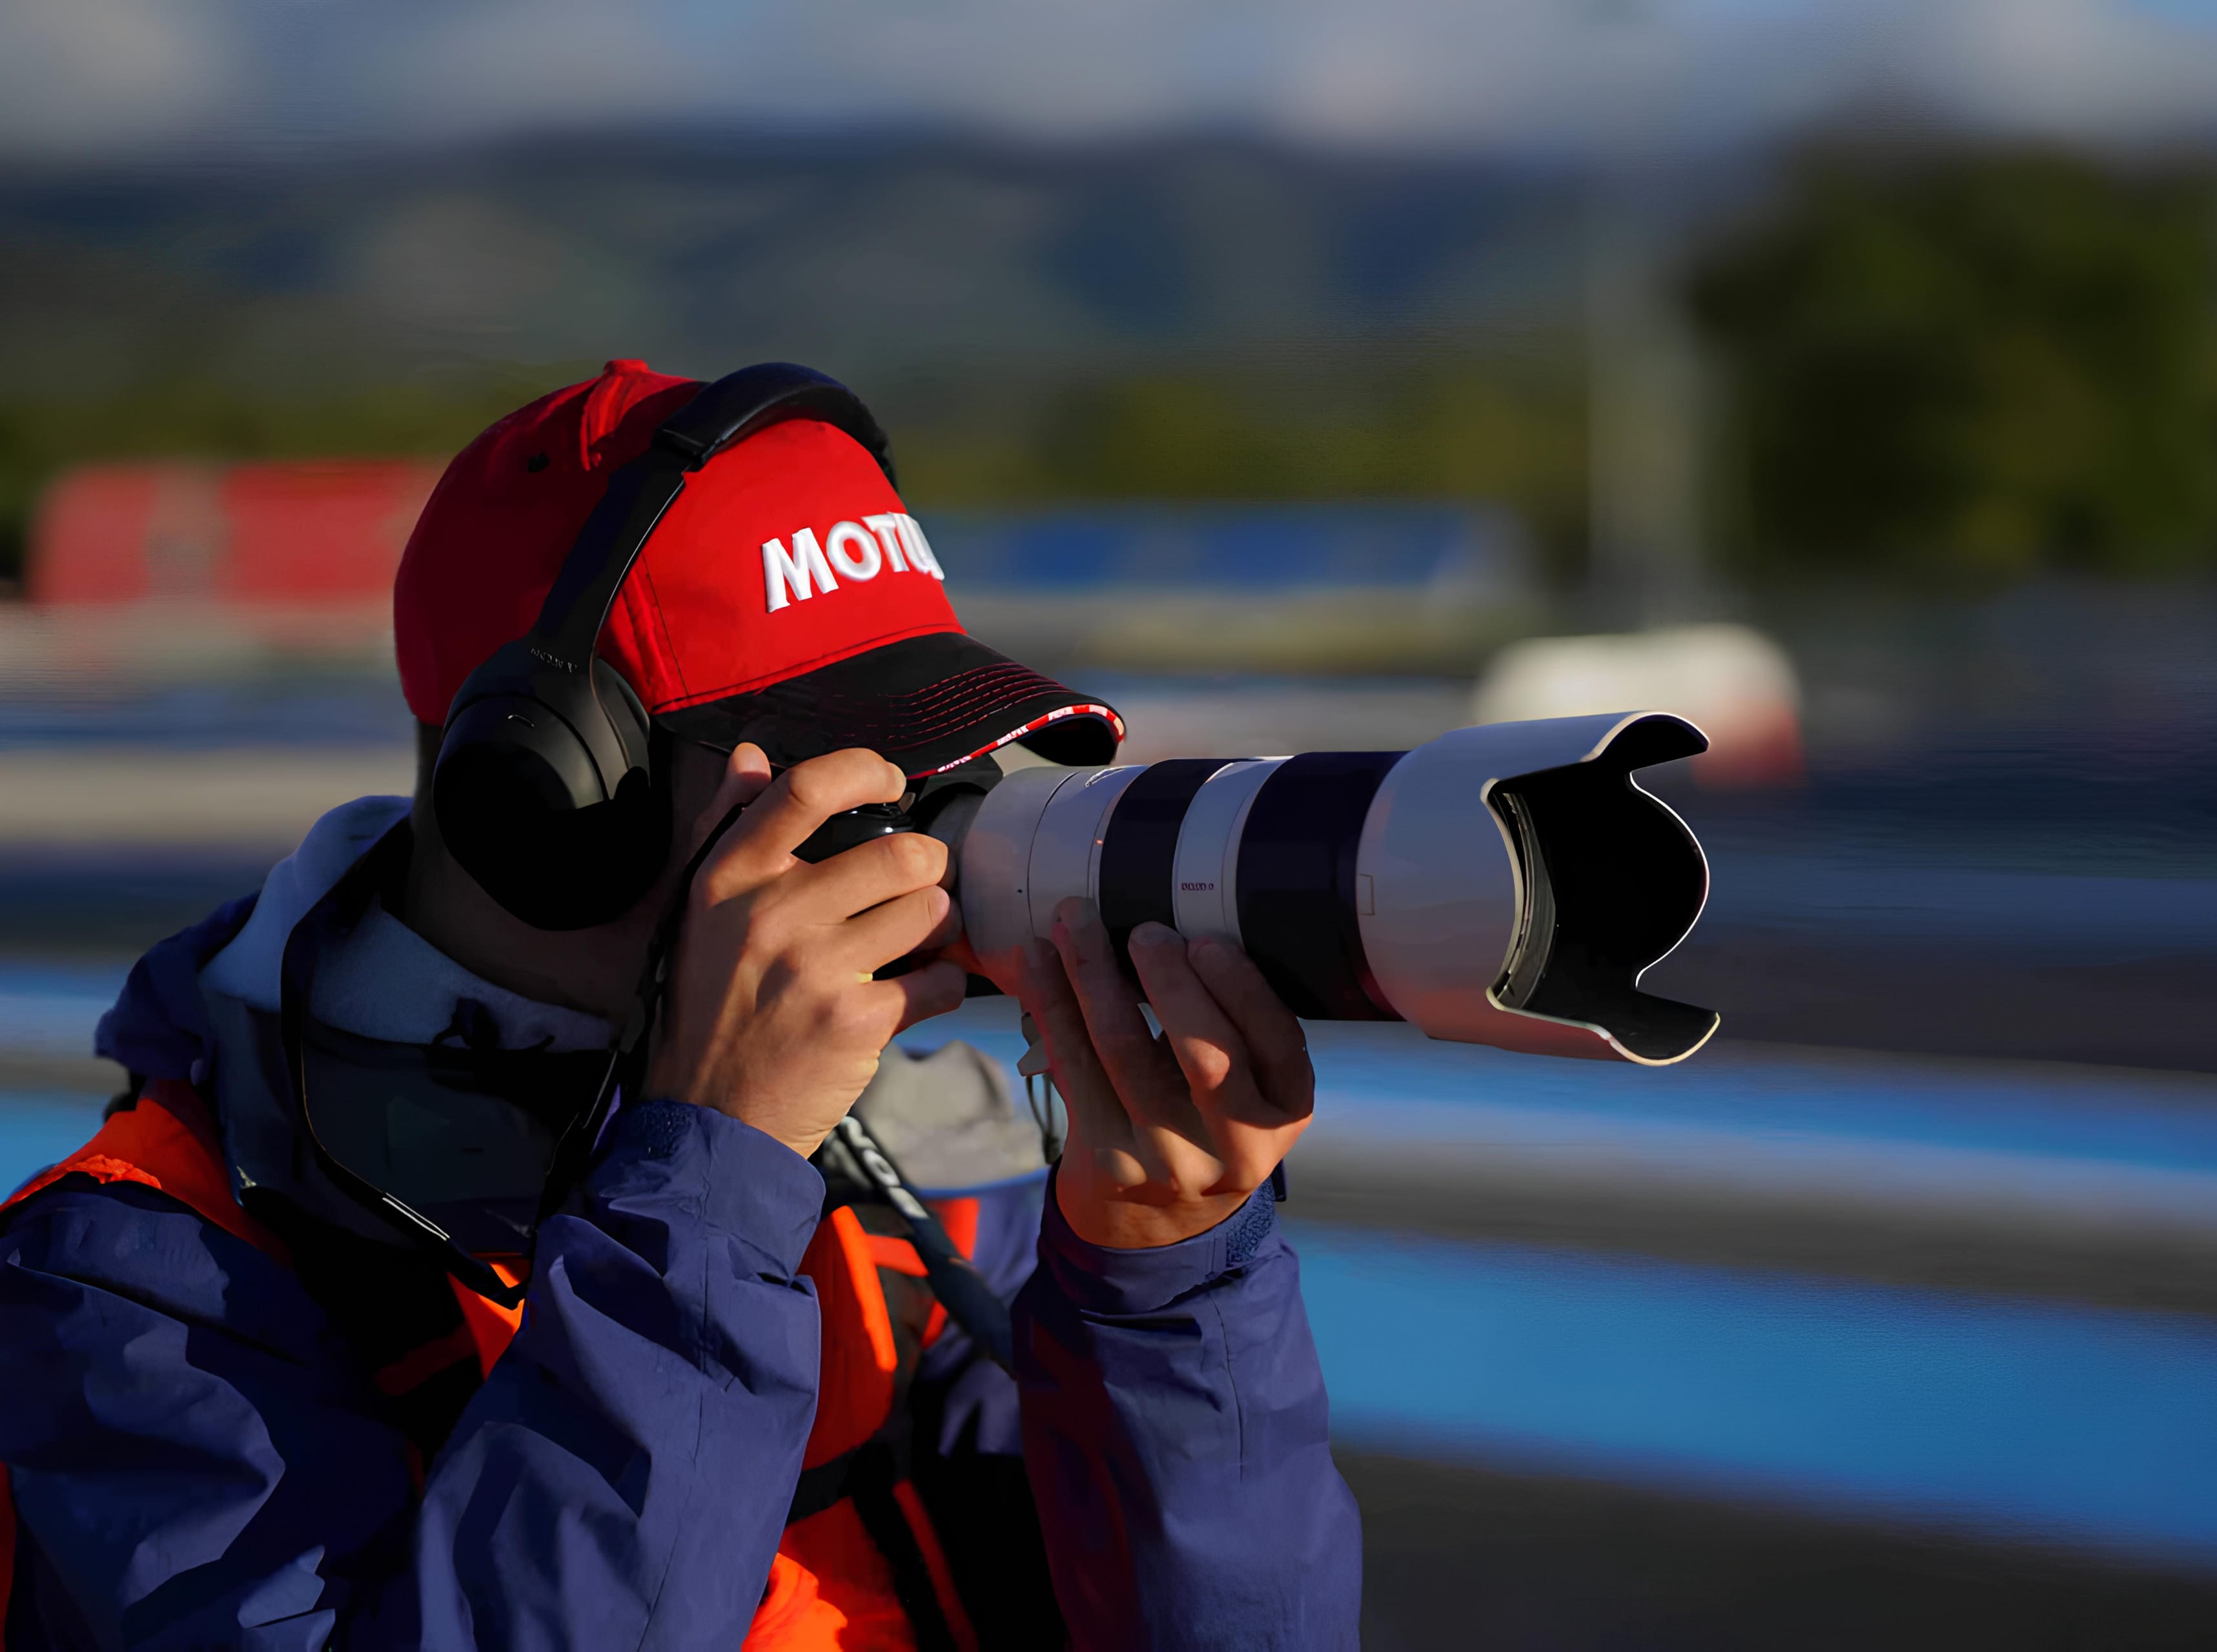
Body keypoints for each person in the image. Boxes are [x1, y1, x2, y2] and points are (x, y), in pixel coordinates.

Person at [0, 360, 1362, 1649]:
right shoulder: (133, 1280)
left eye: (939, 769)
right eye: (847, 776)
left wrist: (1164, 1280)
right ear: (545, 800)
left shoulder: (923, 1179)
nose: (919, 846)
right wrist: (708, 1182)